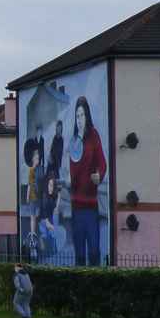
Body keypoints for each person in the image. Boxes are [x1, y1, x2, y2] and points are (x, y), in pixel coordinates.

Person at [66, 97, 107, 266]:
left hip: (91, 205)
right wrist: (68, 179)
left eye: (82, 115)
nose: (80, 119)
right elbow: (73, 171)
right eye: (77, 116)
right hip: (76, 205)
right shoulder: (74, 141)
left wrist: (99, 174)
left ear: (87, 116)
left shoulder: (94, 136)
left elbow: (102, 162)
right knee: (80, 256)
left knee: (94, 252)